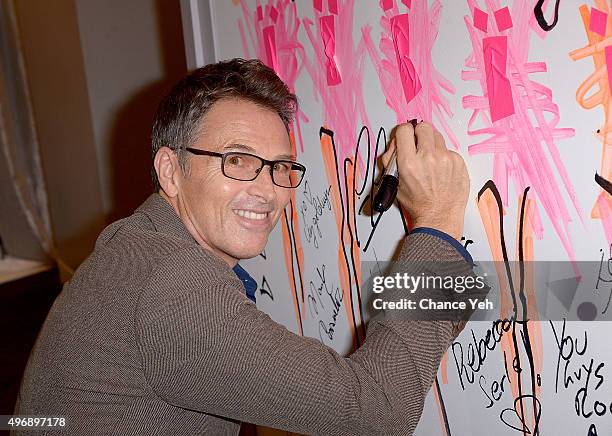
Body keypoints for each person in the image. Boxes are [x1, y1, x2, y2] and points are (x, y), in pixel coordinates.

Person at [14, 58, 475, 435]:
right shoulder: (171, 285)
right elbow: (378, 411)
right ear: (170, 171)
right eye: (237, 160)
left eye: (281, 167)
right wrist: (436, 222)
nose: (269, 190)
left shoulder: (138, 246)